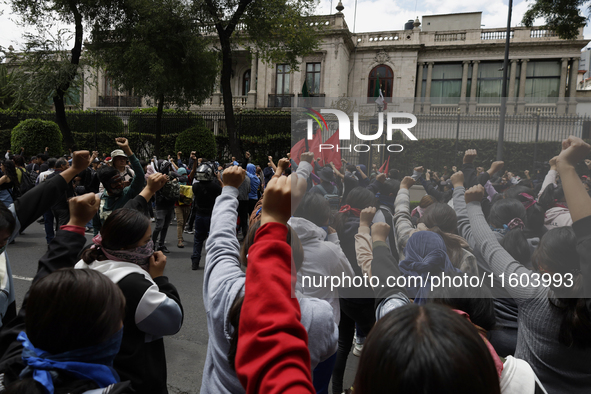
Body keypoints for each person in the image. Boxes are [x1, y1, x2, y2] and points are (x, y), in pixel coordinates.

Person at [462, 137, 591, 393]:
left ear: (543, 267)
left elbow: (489, 246)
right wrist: (566, 167)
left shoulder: (533, 292)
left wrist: (472, 205)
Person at [201, 164, 336, 394]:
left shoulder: (222, 289)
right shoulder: (319, 315)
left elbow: (220, 240)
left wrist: (230, 190)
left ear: (246, 253)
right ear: (298, 259)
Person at [0, 193, 133, 394]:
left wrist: (75, 224)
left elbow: (44, 292)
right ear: (99, 340)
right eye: (119, 318)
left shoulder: (16, 358)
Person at [77, 206, 183, 394]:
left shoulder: (88, 257)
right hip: (133, 376)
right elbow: (173, 320)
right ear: (125, 246)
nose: (151, 245)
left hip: (93, 369)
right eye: (147, 240)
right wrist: (159, 279)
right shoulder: (135, 285)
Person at [94, 138, 145, 234]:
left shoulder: (127, 193)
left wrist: (127, 149)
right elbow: (97, 227)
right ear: (106, 184)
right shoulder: (99, 201)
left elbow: (140, 175)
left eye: (120, 181)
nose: (120, 185)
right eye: (114, 183)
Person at [191, 161, 222, 270]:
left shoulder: (195, 186)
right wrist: (218, 178)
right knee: (212, 240)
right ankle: (212, 262)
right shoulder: (215, 187)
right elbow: (223, 191)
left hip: (199, 215)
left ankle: (195, 261)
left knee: (198, 239)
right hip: (211, 215)